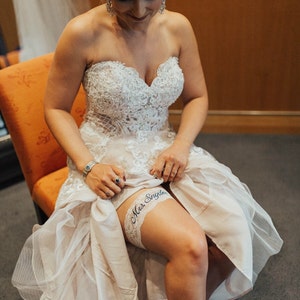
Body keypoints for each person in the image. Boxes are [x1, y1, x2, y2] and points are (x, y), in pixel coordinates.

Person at [12, 1, 283, 299]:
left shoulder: (178, 27)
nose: (140, 10)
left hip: (166, 150)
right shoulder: (82, 32)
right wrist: (88, 165)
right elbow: (55, 108)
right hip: (109, 163)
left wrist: (181, 146)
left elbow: (197, 96)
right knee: (190, 246)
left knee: (233, 230)